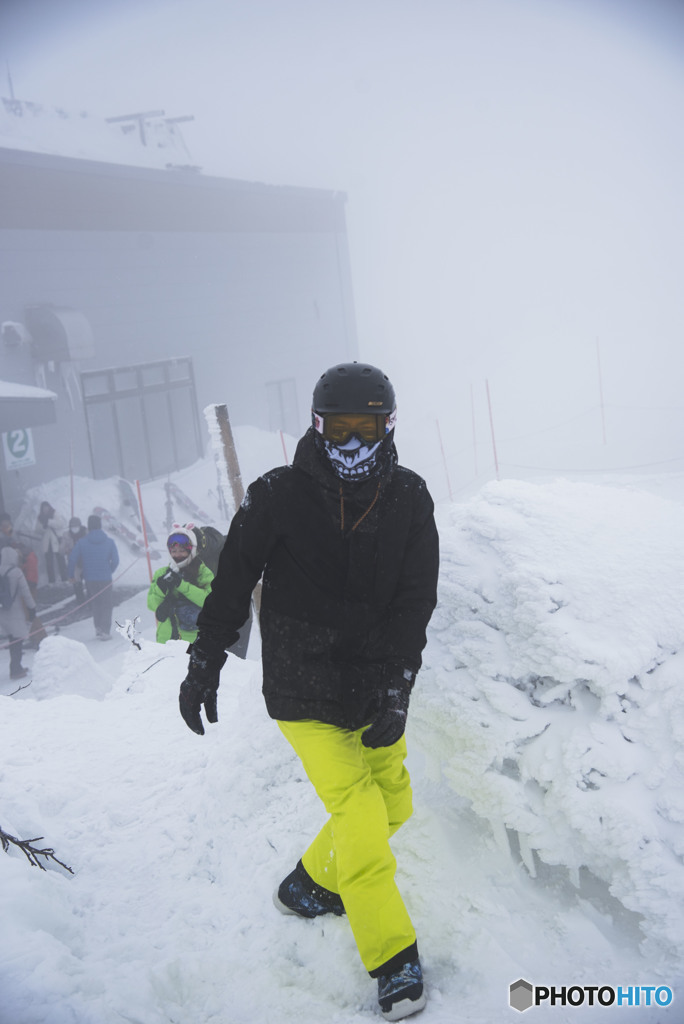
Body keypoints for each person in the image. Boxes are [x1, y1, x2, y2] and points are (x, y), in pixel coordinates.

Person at [178, 362, 439, 1021]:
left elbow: (414, 604)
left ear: (388, 427)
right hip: (301, 686)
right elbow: (232, 581)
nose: (351, 445)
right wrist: (205, 659)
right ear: (316, 428)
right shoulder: (276, 496)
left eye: (365, 428)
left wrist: (398, 690)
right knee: (358, 817)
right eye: (337, 429)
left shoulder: (410, 500)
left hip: (373, 686)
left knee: (393, 807)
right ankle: (393, 958)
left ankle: (308, 885)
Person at [147, 526, 214, 644]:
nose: (177, 555)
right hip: (167, 641)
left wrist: (181, 585)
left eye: (182, 551)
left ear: (191, 551)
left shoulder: (203, 573)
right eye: (174, 551)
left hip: (195, 642)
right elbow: (152, 605)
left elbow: (210, 602)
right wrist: (161, 589)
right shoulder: (162, 573)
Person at [67, 514, 119, 640]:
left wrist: (71, 575)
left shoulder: (82, 542)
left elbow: (72, 559)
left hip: (89, 578)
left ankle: (98, 628)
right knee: (106, 604)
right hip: (105, 577)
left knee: (96, 602)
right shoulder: (109, 542)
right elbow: (116, 561)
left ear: (88, 527)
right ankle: (105, 631)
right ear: (100, 525)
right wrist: (109, 570)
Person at [0, 545, 37, 679]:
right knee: (18, 641)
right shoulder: (16, 572)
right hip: (15, 612)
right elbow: (26, 593)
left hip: (2, 611)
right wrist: (32, 608)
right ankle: (15, 669)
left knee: (12, 640)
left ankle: (16, 667)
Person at [35, 501, 67, 583]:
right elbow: (37, 530)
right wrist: (43, 527)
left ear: (49, 507)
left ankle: (65, 579)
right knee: (49, 563)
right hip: (47, 542)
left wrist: (49, 522)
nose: (45, 509)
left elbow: (61, 524)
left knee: (61, 561)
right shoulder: (40, 517)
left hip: (56, 540)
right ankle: (52, 581)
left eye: (47, 507)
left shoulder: (55, 514)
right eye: (43, 508)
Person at [63, 516, 87, 603]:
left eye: (76, 526)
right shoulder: (66, 535)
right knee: (76, 582)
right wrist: (66, 550)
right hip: (74, 563)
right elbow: (61, 549)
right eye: (72, 527)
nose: (74, 529)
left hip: (85, 561)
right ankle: (80, 600)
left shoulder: (86, 533)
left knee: (88, 580)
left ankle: (91, 599)